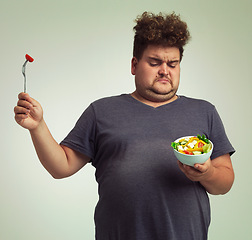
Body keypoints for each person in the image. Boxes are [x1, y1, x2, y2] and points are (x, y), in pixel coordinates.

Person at [14, 11, 235, 240]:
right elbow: (61, 166)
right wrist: (37, 126)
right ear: (134, 65)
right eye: (155, 62)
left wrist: (206, 173)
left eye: (173, 64)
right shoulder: (101, 111)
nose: (164, 71)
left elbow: (225, 182)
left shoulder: (204, 111)